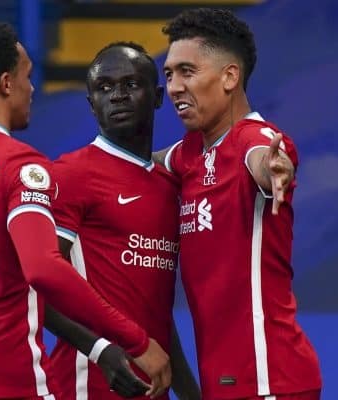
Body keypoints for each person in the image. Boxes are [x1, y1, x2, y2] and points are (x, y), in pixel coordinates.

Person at [0, 18, 170, 400]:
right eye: (27, 76)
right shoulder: (21, 165)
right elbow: (44, 269)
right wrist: (136, 341)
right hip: (5, 380)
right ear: (6, 83)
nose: (32, 88)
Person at [155, 8, 322, 400]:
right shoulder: (191, 152)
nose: (174, 86)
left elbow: (265, 159)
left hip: (269, 379)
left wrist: (274, 170)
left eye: (187, 72)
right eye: (168, 75)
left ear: (230, 76)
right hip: (225, 380)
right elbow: (144, 165)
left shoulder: (254, 138)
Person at [43, 42, 201, 400]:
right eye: (104, 88)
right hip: (85, 387)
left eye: (130, 85)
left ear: (158, 97)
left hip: (150, 388)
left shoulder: (168, 186)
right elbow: (39, 290)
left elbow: (154, 314)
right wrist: (101, 350)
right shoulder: (71, 174)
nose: (116, 96)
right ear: (91, 103)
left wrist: (191, 395)